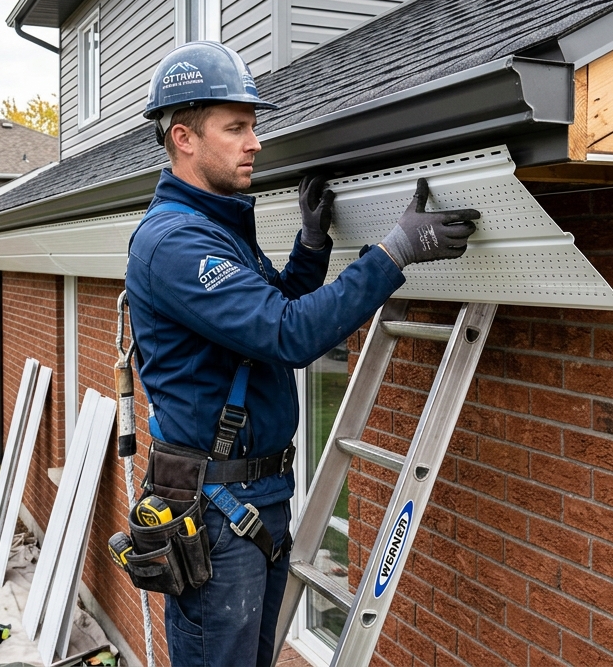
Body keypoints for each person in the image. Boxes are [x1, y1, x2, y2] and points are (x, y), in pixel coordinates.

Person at [124, 41, 482, 667]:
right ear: (183, 137)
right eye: (236, 128)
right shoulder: (176, 243)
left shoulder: (218, 228)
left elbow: (263, 318)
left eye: (253, 127)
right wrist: (393, 253)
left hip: (257, 499)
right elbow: (288, 335)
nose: (255, 142)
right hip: (215, 513)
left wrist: (312, 246)